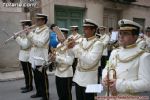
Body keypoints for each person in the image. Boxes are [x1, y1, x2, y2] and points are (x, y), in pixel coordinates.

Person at [102, 19, 150, 96]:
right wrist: (105, 77)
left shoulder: (143, 56)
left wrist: (118, 85)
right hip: (110, 95)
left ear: (135, 36)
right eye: (120, 33)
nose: (121, 36)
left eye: (126, 33)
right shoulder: (114, 52)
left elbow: (147, 84)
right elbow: (106, 67)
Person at [68, 19, 104, 100]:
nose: (84, 31)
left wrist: (75, 47)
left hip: (91, 79)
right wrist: (68, 48)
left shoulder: (98, 44)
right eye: (84, 28)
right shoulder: (81, 40)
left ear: (93, 30)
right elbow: (72, 55)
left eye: (87, 29)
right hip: (78, 77)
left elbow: (90, 60)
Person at [28, 13, 49, 100]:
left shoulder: (46, 30)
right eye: (37, 19)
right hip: (34, 55)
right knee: (36, 76)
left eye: (39, 20)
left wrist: (30, 35)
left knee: (42, 77)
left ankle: (45, 95)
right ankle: (39, 92)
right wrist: (28, 34)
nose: (37, 21)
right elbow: (32, 42)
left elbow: (40, 43)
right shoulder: (36, 29)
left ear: (43, 21)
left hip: (41, 56)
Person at [51, 28, 74, 100]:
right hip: (58, 72)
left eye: (60, 35)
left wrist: (57, 59)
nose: (58, 37)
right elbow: (57, 57)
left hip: (66, 73)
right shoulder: (58, 45)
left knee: (66, 94)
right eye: (57, 35)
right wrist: (52, 60)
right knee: (60, 93)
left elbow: (69, 62)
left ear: (65, 35)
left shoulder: (70, 45)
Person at [14, 20, 33, 93]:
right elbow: (22, 42)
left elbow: (25, 45)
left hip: (27, 56)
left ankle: (29, 86)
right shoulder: (25, 33)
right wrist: (18, 37)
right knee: (25, 72)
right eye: (22, 26)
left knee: (28, 72)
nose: (22, 28)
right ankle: (27, 85)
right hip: (23, 55)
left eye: (23, 26)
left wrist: (17, 38)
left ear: (27, 26)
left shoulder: (30, 34)